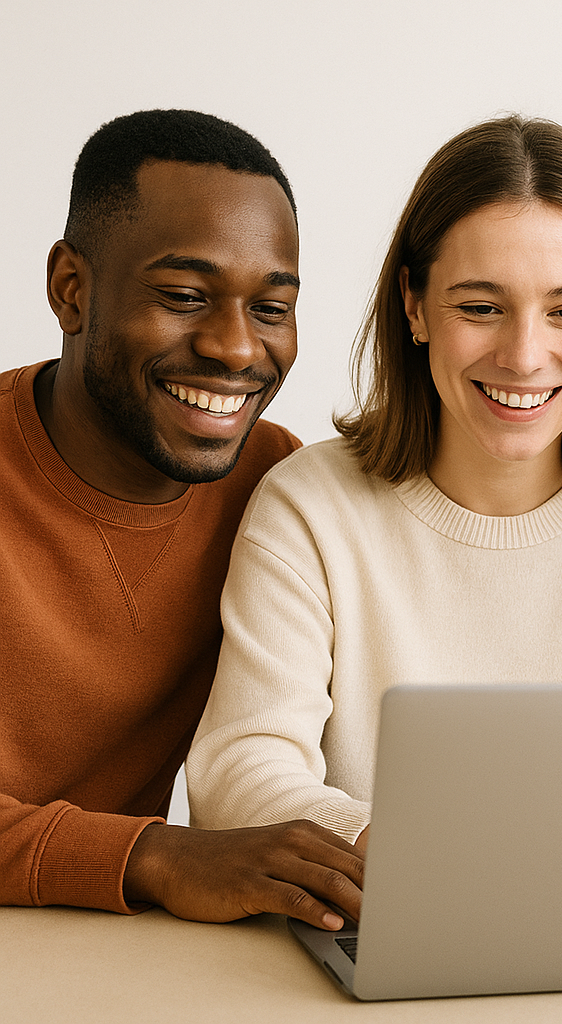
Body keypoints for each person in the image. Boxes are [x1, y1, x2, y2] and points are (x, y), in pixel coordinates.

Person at [186, 115, 562, 874]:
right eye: (480, 307)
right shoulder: (308, 508)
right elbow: (240, 771)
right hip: (385, 906)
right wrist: (424, 861)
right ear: (413, 305)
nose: (524, 356)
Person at [1, 109, 365, 932]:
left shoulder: (278, 486)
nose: (236, 348)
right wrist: (156, 857)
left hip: (120, 949)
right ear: (71, 289)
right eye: (184, 297)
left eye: (271, 308)